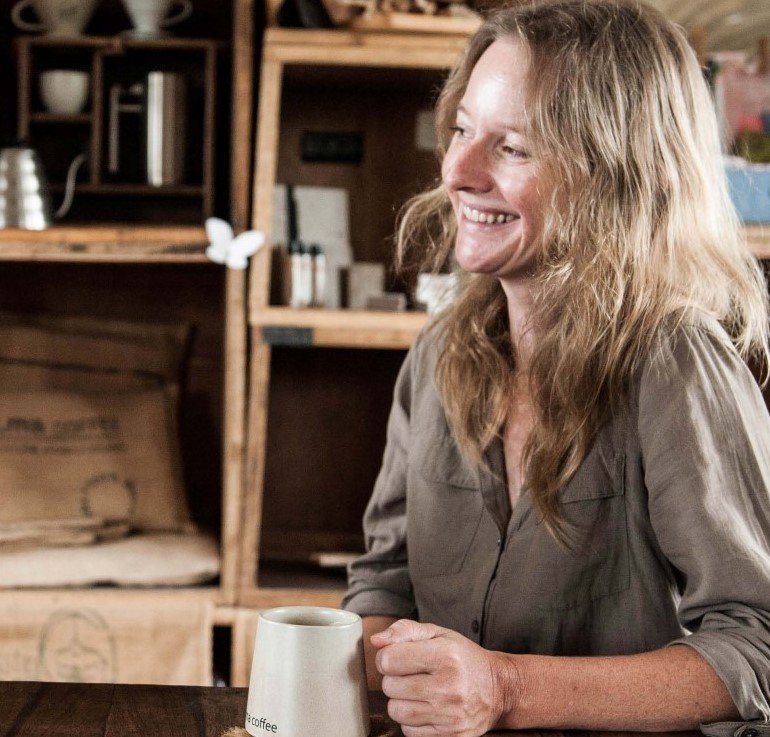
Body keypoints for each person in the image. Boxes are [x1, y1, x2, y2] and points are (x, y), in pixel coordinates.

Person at [341, 0, 770, 734]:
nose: (457, 173)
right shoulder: (438, 354)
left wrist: (503, 687)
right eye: (463, 131)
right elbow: (386, 579)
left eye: (513, 148)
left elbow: (758, 647)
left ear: (620, 174)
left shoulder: (675, 359)